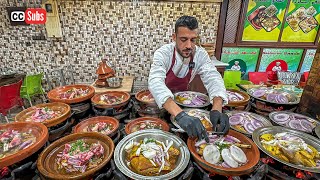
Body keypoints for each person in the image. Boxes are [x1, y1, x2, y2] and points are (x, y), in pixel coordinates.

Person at [148, 16, 230, 142]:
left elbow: (213, 77)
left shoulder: (200, 54)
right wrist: (180, 115)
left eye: (193, 40)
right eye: (183, 39)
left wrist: (217, 108)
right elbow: (155, 82)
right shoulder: (163, 53)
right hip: (162, 103)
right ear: (174, 37)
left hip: (185, 104)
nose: (189, 45)